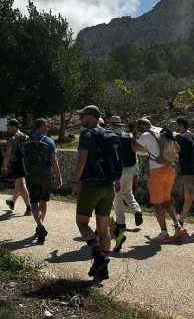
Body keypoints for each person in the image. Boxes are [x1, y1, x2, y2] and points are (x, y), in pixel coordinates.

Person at [71, 105, 116, 280]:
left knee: (82, 222)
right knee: (103, 228)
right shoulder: (108, 134)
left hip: (91, 185)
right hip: (109, 186)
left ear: (90, 117)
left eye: (83, 116)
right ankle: (103, 269)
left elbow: (82, 160)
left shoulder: (87, 134)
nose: (81, 119)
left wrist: (75, 182)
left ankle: (98, 255)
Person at [133, 118, 185, 243]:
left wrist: (134, 136)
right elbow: (178, 149)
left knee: (157, 204)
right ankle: (178, 225)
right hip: (170, 169)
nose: (139, 131)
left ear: (143, 126)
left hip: (157, 171)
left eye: (139, 129)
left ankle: (164, 233)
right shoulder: (163, 131)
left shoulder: (145, 135)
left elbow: (134, 149)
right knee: (167, 200)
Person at [22, 118, 62, 244]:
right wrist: (59, 176)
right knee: (43, 201)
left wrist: (27, 172)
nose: (47, 128)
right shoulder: (48, 141)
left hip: (31, 175)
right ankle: (40, 225)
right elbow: (54, 160)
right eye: (46, 126)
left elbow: (23, 159)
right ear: (42, 126)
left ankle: (39, 226)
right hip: (45, 175)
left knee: (33, 202)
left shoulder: (27, 140)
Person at [108, 116, 145, 251]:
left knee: (118, 197)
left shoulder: (111, 137)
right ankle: (137, 210)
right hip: (130, 170)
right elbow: (135, 154)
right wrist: (136, 171)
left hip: (118, 172)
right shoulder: (129, 137)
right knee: (128, 193)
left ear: (112, 125)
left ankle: (121, 222)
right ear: (121, 125)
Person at [3, 119, 32, 215]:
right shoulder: (26, 137)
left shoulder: (12, 139)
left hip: (16, 163)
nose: (8, 128)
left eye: (9, 126)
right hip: (25, 163)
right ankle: (12, 202)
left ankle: (28, 208)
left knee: (22, 184)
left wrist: (5, 165)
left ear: (14, 126)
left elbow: (7, 154)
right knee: (18, 184)